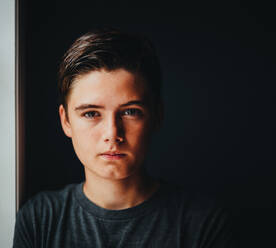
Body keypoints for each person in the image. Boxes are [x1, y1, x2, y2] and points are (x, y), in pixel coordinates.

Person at [13, 28, 235, 247]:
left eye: (130, 112)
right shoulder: (40, 219)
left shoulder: (202, 223)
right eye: (91, 114)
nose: (112, 133)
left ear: (157, 116)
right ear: (66, 121)